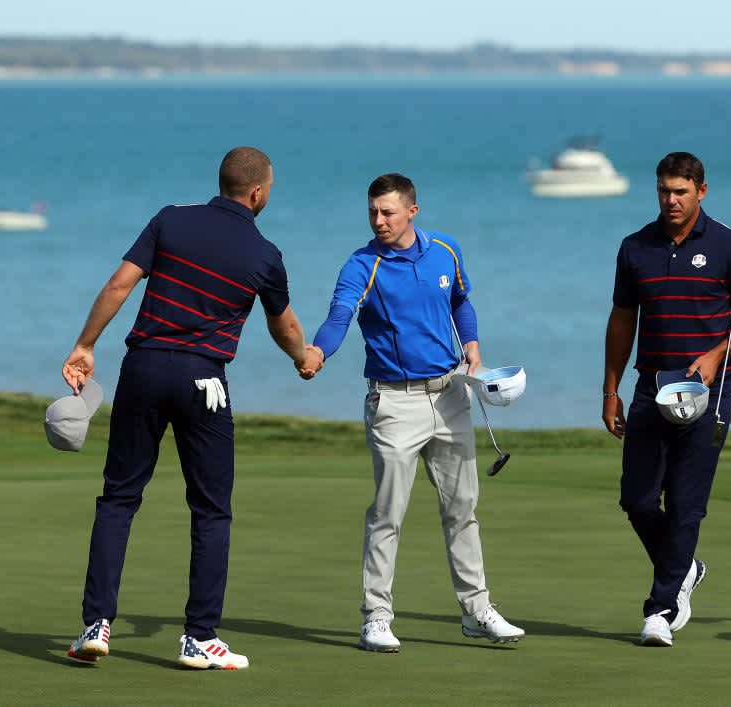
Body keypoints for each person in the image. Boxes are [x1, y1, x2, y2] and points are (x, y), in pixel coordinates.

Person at [62, 146, 321, 669]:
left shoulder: (170, 220)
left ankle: (96, 625)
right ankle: (199, 637)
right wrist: (304, 356)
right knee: (210, 509)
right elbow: (285, 326)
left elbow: (119, 285)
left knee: (118, 498)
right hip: (204, 379)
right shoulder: (265, 254)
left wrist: (85, 345)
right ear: (257, 192)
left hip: (142, 369)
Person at [302, 173, 524, 652]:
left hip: (451, 395)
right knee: (388, 514)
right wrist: (318, 352)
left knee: (462, 509)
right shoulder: (362, 265)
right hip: (394, 402)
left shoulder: (445, 250)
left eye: (387, 212)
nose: (378, 221)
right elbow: (340, 315)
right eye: (372, 212)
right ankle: (376, 618)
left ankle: (476, 610)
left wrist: (473, 349)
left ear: (412, 211)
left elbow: (461, 301)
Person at [601, 152, 731, 647]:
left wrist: (718, 354)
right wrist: (610, 389)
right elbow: (622, 320)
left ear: (701, 190)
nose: (671, 200)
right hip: (650, 387)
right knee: (636, 499)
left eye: (680, 191)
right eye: (664, 191)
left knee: (685, 504)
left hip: (709, 391)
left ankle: (660, 609)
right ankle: (684, 568)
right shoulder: (635, 247)